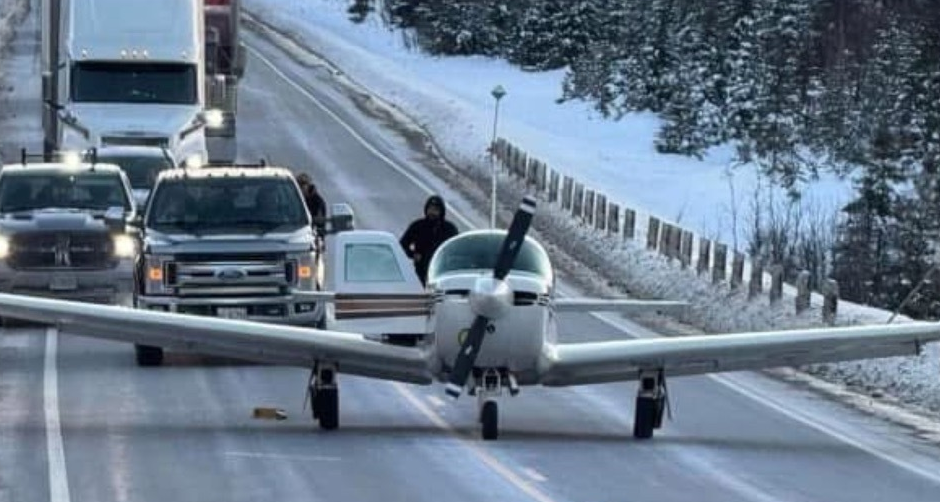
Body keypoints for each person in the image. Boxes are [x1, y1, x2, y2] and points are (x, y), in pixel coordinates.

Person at [400, 195, 459, 286]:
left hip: (442, 271)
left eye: (436, 210)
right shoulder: (417, 226)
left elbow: (457, 248)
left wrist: (450, 261)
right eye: (430, 209)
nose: (432, 212)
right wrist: (412, 254)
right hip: (421, 271)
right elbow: (402, 245)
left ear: (441, 211)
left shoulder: (449, 229)